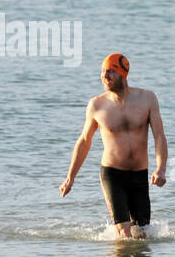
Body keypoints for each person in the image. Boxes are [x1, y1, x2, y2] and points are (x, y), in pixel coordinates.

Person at [59, 54, 167, 239]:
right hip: (112, 174)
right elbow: (84, 141)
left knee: (142, 235)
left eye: (110, 71)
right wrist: (71, 177)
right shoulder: (97, 105)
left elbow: (159, 137)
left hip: (140, 175)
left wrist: (161, 169)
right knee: (125, 233)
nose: (104, 76)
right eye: (102, 72)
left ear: (123, 73)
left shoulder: (147, 99)